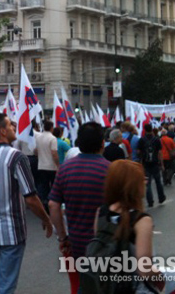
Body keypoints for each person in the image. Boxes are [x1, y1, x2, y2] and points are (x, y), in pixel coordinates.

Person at [0, 113, 52, 294]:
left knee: (2, 277)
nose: (14, 127)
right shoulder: (16, 157)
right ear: (2, 131)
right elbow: (31, 197)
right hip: (11, 232)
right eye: (10, 125)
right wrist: (45, 219)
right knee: (5, 285)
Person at [49, 122, 111, 294]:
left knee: (79, 285)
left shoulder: (65, 170)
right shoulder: (111, 170)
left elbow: (53, 205)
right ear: (102, 143)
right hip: (104, 245)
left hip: (74, 243)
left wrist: (62, 237)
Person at [87, 160, 165, 293]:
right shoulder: (142, 220)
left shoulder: (101, 212)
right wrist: (161, 279)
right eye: (142, 179)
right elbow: (144, 268)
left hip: (108, 285)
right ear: (133, 186)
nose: (145, 182)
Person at [137, 124, 165, 208]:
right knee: (158, 182)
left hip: (146, 163)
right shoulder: (156, 139)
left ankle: (150, 201)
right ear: (152, 129)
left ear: (144, 130)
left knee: (147, 184)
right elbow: (160, 152)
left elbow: (138, 152)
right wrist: (162, 164)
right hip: (155, 163)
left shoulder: (142, 139)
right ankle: (161, 198)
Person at [35, 120, 59, 210]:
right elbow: (54, 153)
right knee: (53, 186)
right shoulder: (52, 138)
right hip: (51, 166)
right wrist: (58, 165)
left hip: (41, 165)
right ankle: (51, 203)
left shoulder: (38, 138)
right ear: (52, 128)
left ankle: (44, 203)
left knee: (44, 185)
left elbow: (35, 151)